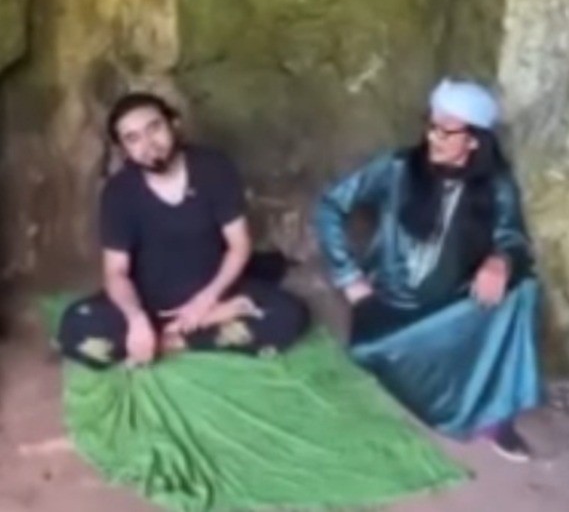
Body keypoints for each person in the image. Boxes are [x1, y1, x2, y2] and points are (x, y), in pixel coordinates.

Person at [315, 78, 543, 462]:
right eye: (431, 125)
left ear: (474, 140)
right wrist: (348, 278)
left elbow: (513, 239)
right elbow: (330, 206)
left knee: (524, 291)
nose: (434, 137)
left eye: (446, 130)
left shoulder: (495, 185)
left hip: (450, 306)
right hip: (389, 304)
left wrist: (500, 260)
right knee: (369, 351)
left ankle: (496, 417)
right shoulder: (396, 168)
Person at [58, 92, 309, 369]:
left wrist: (206, 301)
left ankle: (169, 341)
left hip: (215, 290)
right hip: (150, 302)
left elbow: (239, 245)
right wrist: (136, 319)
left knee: (288, 316)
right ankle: (187, 333)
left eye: (154, 128)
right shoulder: (119, 192)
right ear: (124, 149)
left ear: (174, 124)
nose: (148, 144)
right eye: (133, 138)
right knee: (76, 329)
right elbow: (115, 272)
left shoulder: (213, 168)